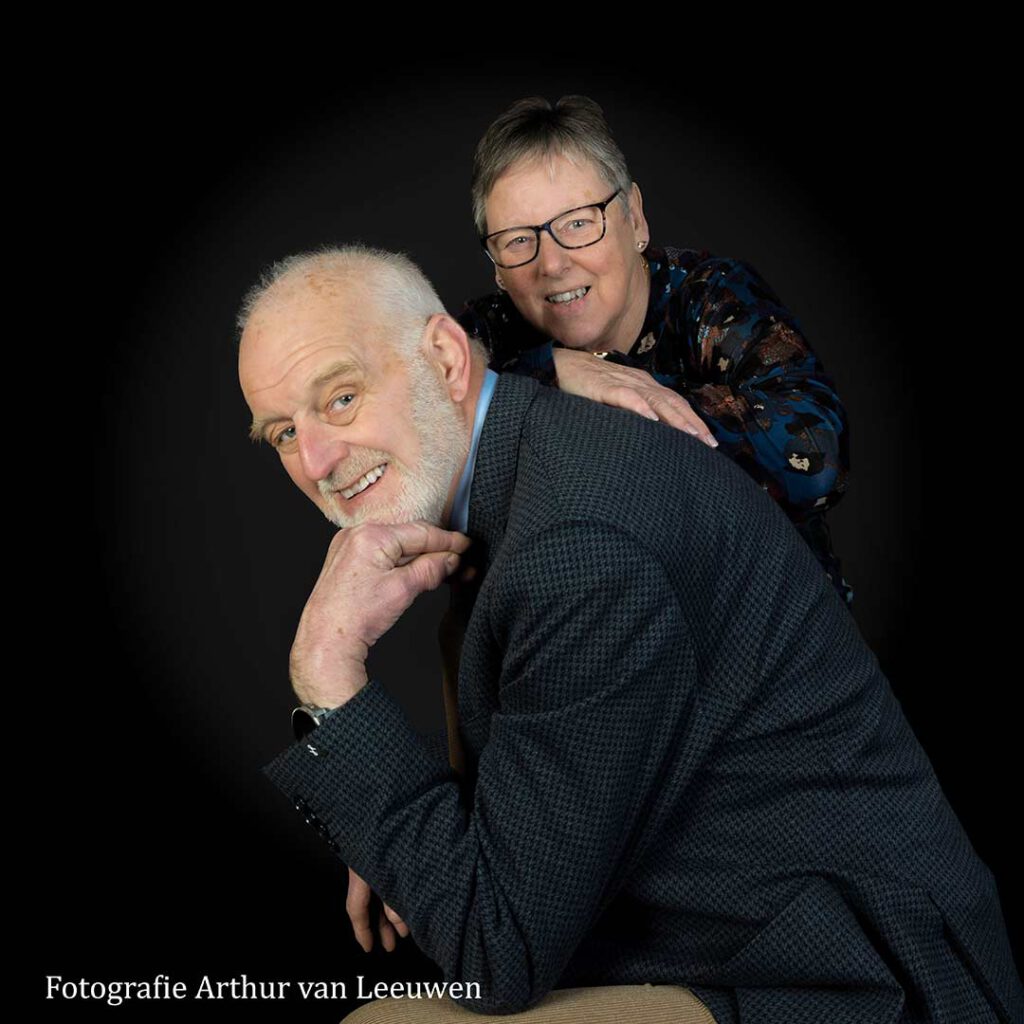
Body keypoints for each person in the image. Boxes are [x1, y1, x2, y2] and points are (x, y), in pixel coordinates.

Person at [237, 246, 1021, 1023]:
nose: (317, 460)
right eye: (281, 434)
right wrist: (388, 813)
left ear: (445, 356)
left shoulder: (577, 544)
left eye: (340, 399)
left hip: (860, 979)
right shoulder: (518, 474)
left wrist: (328, 675)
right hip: (729, 937)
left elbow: (493, 954)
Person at [458, 95, 852, 604]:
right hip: (607, 645)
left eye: (578, 222)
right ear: (495, 263)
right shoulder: (488, 333)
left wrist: (606, 388)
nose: (551, 264)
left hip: (774, 636)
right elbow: (412, 400)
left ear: (635, 218)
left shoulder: (711, 297)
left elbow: (817, 457)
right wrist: (553, 369)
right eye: (517, 240)